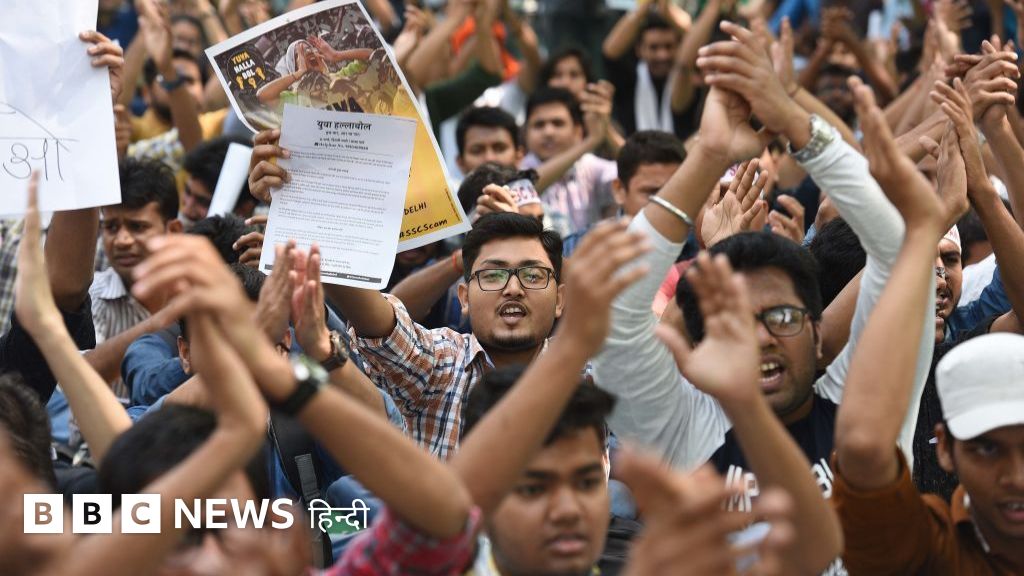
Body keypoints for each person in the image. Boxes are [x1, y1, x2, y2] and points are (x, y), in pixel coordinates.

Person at [831, 74, 1024, 575]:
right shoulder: (831, 360)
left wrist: (985, 184)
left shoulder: (964, 349)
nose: (937, 278)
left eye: (950, 261)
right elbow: (832, 208)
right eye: (988, 448)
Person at [520, 87, 617, 238]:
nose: (548, 132)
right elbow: (525, 186)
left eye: (558, 123)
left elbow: (636, 171)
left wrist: (606, 129)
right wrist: (591, 141)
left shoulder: (591, 165)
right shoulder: (517, 167)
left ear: (578, 131)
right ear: (525, 132)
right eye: (539, 125)